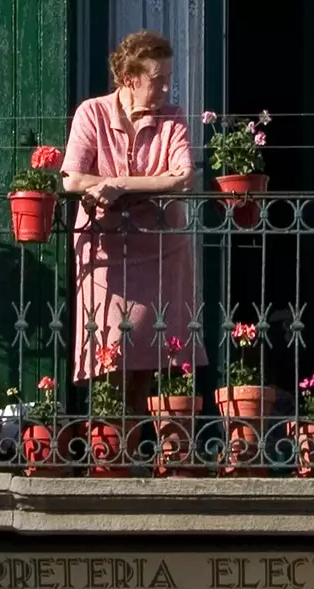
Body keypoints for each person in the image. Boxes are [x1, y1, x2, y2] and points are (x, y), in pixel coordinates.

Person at [62, 30, 205, 408]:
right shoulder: (92, 113)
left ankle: (144, 444)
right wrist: (152, 185)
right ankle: (115, 447)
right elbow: (72, 177)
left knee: (158, 350)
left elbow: (184, 177)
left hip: (161, 249)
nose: (165, 89)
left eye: (169, 80)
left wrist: (118, 185)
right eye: (157, 81)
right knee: (109, 348)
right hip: (104, 248)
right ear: (130, 80)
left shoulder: (172, 118)